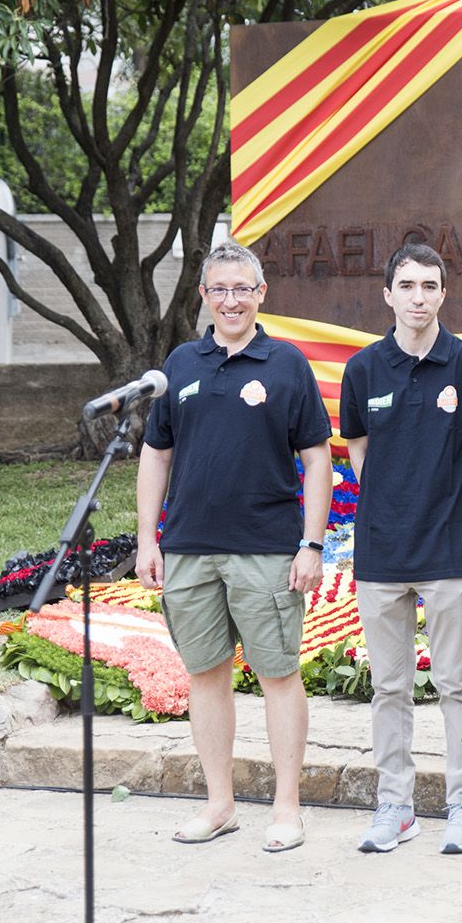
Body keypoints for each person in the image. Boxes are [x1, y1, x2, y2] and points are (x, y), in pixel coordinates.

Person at [135, 241, 333, 854]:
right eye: (219, 289)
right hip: (191, 548)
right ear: (203, 296)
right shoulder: (180, 365)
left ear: (261, 294)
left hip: (267, 550)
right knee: (205, 675)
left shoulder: (288, 365)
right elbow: (155, 453)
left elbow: (318, 456)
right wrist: (149, 538)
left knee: (277, 673)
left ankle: (286, 809)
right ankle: (219, 805)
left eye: (242, 288)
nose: (231, 300)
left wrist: (312, 543)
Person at [339, 243, 462, 856]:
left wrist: (458, 505)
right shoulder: (362, 370)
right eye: (406, 285)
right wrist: (390, 500)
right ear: (388, 294)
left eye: (429, 286)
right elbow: (357, 447)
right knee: (389, 687)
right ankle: (395, 807)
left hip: (447, 548)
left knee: (457, 683)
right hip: (381, 552)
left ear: (442, 293)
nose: (418, 296)